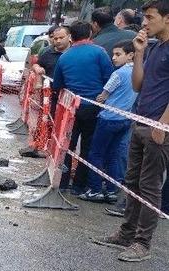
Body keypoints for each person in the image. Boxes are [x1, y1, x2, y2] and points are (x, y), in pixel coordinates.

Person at [93, 0, 169, 262]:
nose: (145, 23)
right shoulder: (154, 48)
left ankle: (142, 242)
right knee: (133, 181)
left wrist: (163, 125)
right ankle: (126, 233)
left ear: (167, 19)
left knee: (149, 186)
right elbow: (138, 85)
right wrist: (138, 53)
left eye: (150, 17)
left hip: (158, 128)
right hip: (139, 121)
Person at [52, 20, 114, 195]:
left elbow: (57, 84)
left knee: (67, 145)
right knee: (88, 147)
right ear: (90, 34)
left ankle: (62, 183)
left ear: (71, 36)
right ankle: (79, 186)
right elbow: (109, 79)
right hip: (93, 107)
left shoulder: (64, 56)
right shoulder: (99, 53)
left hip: (70, 107)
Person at [79, 41, 137, 203]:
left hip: (108, 119)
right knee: (114, 154)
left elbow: (103, 96)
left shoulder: (118, 74)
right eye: (113, 54)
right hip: (126, 119)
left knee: (96, 153)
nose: (113, 58)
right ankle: (112, 190)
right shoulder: (138, 73)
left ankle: (95, 189)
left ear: (130, 55)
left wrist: (101, 98)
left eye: (118, 54)